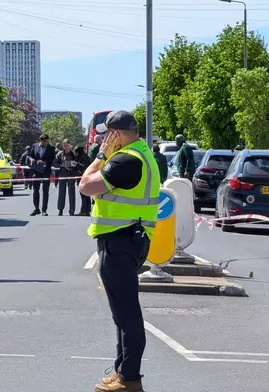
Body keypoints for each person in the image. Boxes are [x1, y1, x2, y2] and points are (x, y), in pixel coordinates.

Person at [78, 110, 160, 392]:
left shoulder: (126, 160)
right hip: (130, 238)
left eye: (106, 135)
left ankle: (130, 379)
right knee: (122, 312)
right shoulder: (140, 153)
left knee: (126, 312)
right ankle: (121, 371)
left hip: (120, 240)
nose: (102, 140)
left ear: (116, 134)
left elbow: (85, 186)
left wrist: (100, 157)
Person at [27, 133, 55, 216]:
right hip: (36, 170)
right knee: (35, 190)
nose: (45, 144)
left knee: (45, 191)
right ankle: (36, 209)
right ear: (40, 141)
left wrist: (44, 162)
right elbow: (30, 155)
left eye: (46, 142)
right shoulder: (35, 146)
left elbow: (52, 159)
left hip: (46, 171)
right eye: (43, 142)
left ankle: (44, 210)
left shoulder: (51, 148)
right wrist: (31, 159)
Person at [55, 139, 78, 216]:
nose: (66, 147)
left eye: (68, 145)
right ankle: (60, 209)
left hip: (71, 175)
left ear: (70, 145)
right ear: (63, 146)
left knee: (72, 193)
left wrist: (73, 165)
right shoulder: (59, 154)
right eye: (65, 145)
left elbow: (77, 165)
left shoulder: (74, 155)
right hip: (62, 175)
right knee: (61, 193)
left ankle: (72, 211)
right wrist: (61, 165)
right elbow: (55, 164)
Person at [74, 145, 91, 216]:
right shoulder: (86, 156)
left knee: (83, 195)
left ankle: (83, 211)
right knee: (87, 195)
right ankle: (87, 210)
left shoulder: (82, 158)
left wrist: (76, 166)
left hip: (83, 178)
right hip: (87, 178)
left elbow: (82, 167)